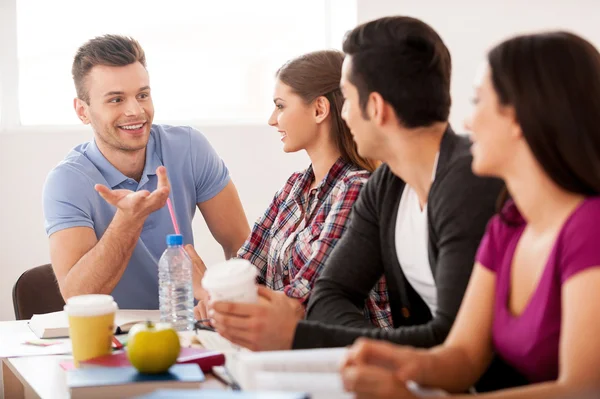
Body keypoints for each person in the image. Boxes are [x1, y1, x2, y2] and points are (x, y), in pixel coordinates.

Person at [208, 16, 506, 374]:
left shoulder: (467, 184)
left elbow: (449, 341)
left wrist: (302, 336)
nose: (344, 114)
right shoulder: (388, 187)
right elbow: (328, 297)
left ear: (376, 107)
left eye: (347, 99)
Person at [341, 31, 600, 398]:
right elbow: (463, 354)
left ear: (518, 119)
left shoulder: (590, 227)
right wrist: (398, 360)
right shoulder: (506, 227)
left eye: (478, 101)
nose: (467, 122)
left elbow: (583, 389)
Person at [190, 50, 392, 342]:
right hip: (287, 348)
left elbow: (308, 297)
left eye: (281, 106)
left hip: (347, 354)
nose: (273, 119)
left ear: (319, 109)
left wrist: (210, 292)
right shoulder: (294, 187)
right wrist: (220, 299)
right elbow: (246, 265)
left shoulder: (357, 188)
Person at [43, 35, 250, 309]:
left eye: (142, 95)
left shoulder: (189, 147)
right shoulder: (66, 181)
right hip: (114, 335)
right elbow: (78, 297)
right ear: (83, 111)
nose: (135, 111)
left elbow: (243, 248)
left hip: (186, 325)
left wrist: (226, 304)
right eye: (116, 100)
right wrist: (127, 220)